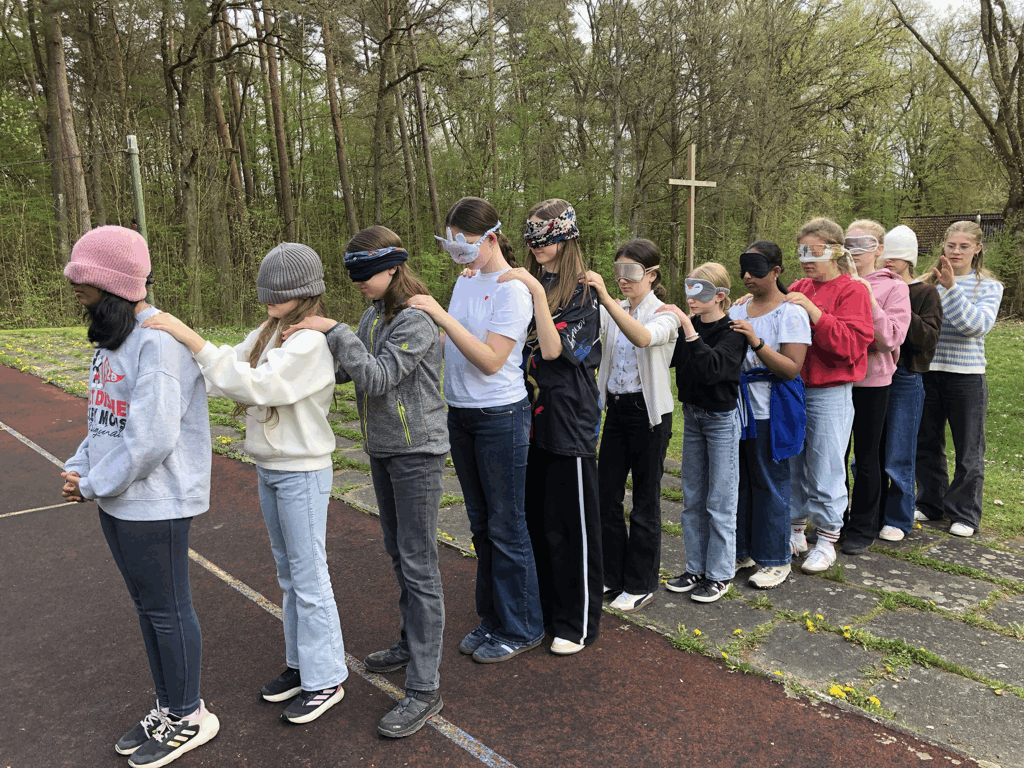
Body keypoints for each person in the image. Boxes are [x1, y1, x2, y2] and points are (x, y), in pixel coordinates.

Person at [144, 244, 348, 725]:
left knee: (309, 575)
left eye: (279, 293)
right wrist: (179, 350)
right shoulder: (268, 331)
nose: (269, 300)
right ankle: (302, 664)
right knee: (289, 574)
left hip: (301, 471)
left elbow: (257, 385)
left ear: (304, 292)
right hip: (271, 467)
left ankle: (326, 678)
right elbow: (224, 375)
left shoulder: (308, 342)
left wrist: (187, 334)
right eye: (266, 292)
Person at [61, 225, 219, 768]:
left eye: (82, 277)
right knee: (149, 608)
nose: (73, 285)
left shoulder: (158, 342)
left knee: (168, 610)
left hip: (157, 502)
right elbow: (105, 419)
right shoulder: (116, 338)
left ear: (112, 282)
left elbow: (150, 439)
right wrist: (81, 466)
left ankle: (191, 715)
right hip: (119, 500)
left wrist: (92, 483)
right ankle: (169, 707)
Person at [285, 226, 446, 738]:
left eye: (366, 273)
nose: (357, 282)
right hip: (383, 450)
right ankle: (410, 643)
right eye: (351, 273)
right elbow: (351, 371)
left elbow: (378, 377)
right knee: (399, 555)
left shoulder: (416, 318)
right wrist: (300, 354)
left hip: (417, 454)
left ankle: (424, 688)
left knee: (419, 566)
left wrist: (333, 330)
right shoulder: (374, 315)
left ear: (393, 267)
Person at [406, 197, 545, 663]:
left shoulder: (513, 290)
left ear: (491, 238)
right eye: (451, 245)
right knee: (481, 525)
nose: (457, 254)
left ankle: (522, 626)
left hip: (499, 416)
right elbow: (454, 339)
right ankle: (493, 617)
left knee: (507, 525)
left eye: (465, 245)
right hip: (461, 413)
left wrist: (439, 314)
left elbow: (490, 360)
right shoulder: (467, 280)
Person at [501, 198, 604, 654]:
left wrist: (537, 296)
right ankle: (544, 608)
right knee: (538, 521)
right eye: (531, 237)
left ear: (566, 237)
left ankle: (577, 622)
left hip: (569, 419)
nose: (536, 246)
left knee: (572, 526)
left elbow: (552, 349)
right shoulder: (529, 283)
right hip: (527, 417)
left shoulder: (584, 292)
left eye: (545, 238)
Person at [583, 239, 679, 613]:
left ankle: (641, 583)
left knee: (645, 500)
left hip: (650, 416)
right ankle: (613, 574)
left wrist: (607, 300)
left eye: (631, 271)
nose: (622, 279)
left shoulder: (666, 314)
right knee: (606, 495)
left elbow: (642, 337)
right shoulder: (615, 309)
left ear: (652, 275)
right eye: (618, 270)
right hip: (617, 411)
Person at [783, 218, 873, 573]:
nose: (806, 259)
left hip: (830, 391)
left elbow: (851, 345)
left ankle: (827, 539)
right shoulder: (799, 286)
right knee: (792, 462)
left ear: (835, 251)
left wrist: (814, 312)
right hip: (794, 387)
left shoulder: (853, 290)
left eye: (814, 251)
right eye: (801, 251)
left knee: (825, 466)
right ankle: (795, 530)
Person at [660, 262, 747, 603]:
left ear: (720, 296)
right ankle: (695, 568)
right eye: (689, 289)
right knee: (693, 497)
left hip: (720, 420)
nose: (691, 298)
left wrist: (686, 327)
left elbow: (712, 369)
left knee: (720, 500)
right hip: (692, 415)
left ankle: (720, 574)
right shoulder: (691, 326)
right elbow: (669, 358)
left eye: (700, 291)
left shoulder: (733, 332)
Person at [729, 242, 810, 589]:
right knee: (739, 482)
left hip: (771, 409)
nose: (748, 276)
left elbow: (791, 368)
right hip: (738, 409)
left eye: (757, 269)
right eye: (744, 269)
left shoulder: (791, 313)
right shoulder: (737, 309)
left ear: (776, 271)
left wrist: (757, 343)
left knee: (770, 482)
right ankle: (744, 550)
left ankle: (776, 559)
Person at [916, 221, 1004, 537]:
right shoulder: (926, 283)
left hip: (966, 378)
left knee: (968, 450)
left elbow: (975, 327)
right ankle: (930, 503)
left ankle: (964, 514)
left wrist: (952, 289)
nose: (956, 252)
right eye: (951, 245)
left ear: (977, 248)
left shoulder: (989, 287)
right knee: (926, 444)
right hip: (928, 373)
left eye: (964, 246)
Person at [841, 220, 911, 555]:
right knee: (833, 456)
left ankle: (862, 527)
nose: (854, 251)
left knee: (867, 457)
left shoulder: (894, 288)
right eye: (848, 243)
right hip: (834, 380)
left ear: (879, 249)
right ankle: (833, 522)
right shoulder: (834, 282)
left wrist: (867, 296)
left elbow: (891, 338)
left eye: (863, 244)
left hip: (872, 382)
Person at [876, 225, 942, 541]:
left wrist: (900, 306)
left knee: (899, 453)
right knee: (869, 452)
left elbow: (928, 340)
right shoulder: (875, 287)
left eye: (897, 256)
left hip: (904, 377)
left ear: (910, 259)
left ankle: (898, 518)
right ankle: (871, 512)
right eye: (886, 255)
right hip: (874, 376)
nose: (890, 261)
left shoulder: (925, 293)